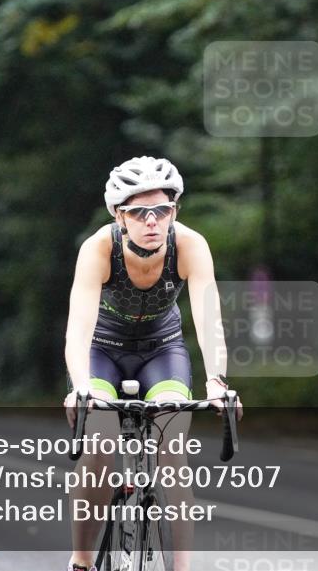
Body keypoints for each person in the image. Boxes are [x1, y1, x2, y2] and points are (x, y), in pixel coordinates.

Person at [62, 155, 243, 571]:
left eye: (162, 210)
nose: (151, 221)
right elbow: (78, 330)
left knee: (173, 455)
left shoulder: (190, 245)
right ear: (118, 216)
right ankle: (82, 559)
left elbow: (209, 319)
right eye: (138, 212)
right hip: (101, 351)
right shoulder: (98, 248)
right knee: (100, 446)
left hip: (162, 351)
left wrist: (217, 382)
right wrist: (81, 387)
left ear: (174, 211)